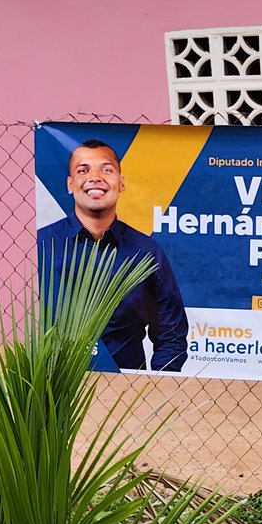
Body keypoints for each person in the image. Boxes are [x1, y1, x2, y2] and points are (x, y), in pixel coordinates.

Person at [37, 139, 189, 372]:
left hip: (127, 391)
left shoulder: (146, 252)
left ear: (121, 183)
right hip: (54, 386)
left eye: (106, 169)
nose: (95, 177)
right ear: (70, 184)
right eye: (83, 170)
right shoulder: (41, 245)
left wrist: (155, 388)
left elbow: (171, 336)